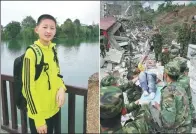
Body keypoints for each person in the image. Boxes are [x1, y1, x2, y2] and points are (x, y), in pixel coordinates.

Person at [22, 14, 67, 134]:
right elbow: (27, 88)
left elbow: (57, 74)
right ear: (37, 30)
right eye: (45, 27)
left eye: (52, 28)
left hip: (54, 109)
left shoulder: (53, 49)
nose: (48, 31)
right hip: (39, 114)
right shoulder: (31, 53)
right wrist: (38, 119)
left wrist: (62, 88)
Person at [147, 62, 192, 133]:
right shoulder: (181, 87)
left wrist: (159, 109)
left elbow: (168, 123)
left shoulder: (168, 92)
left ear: (165, 74)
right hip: (187, 127)